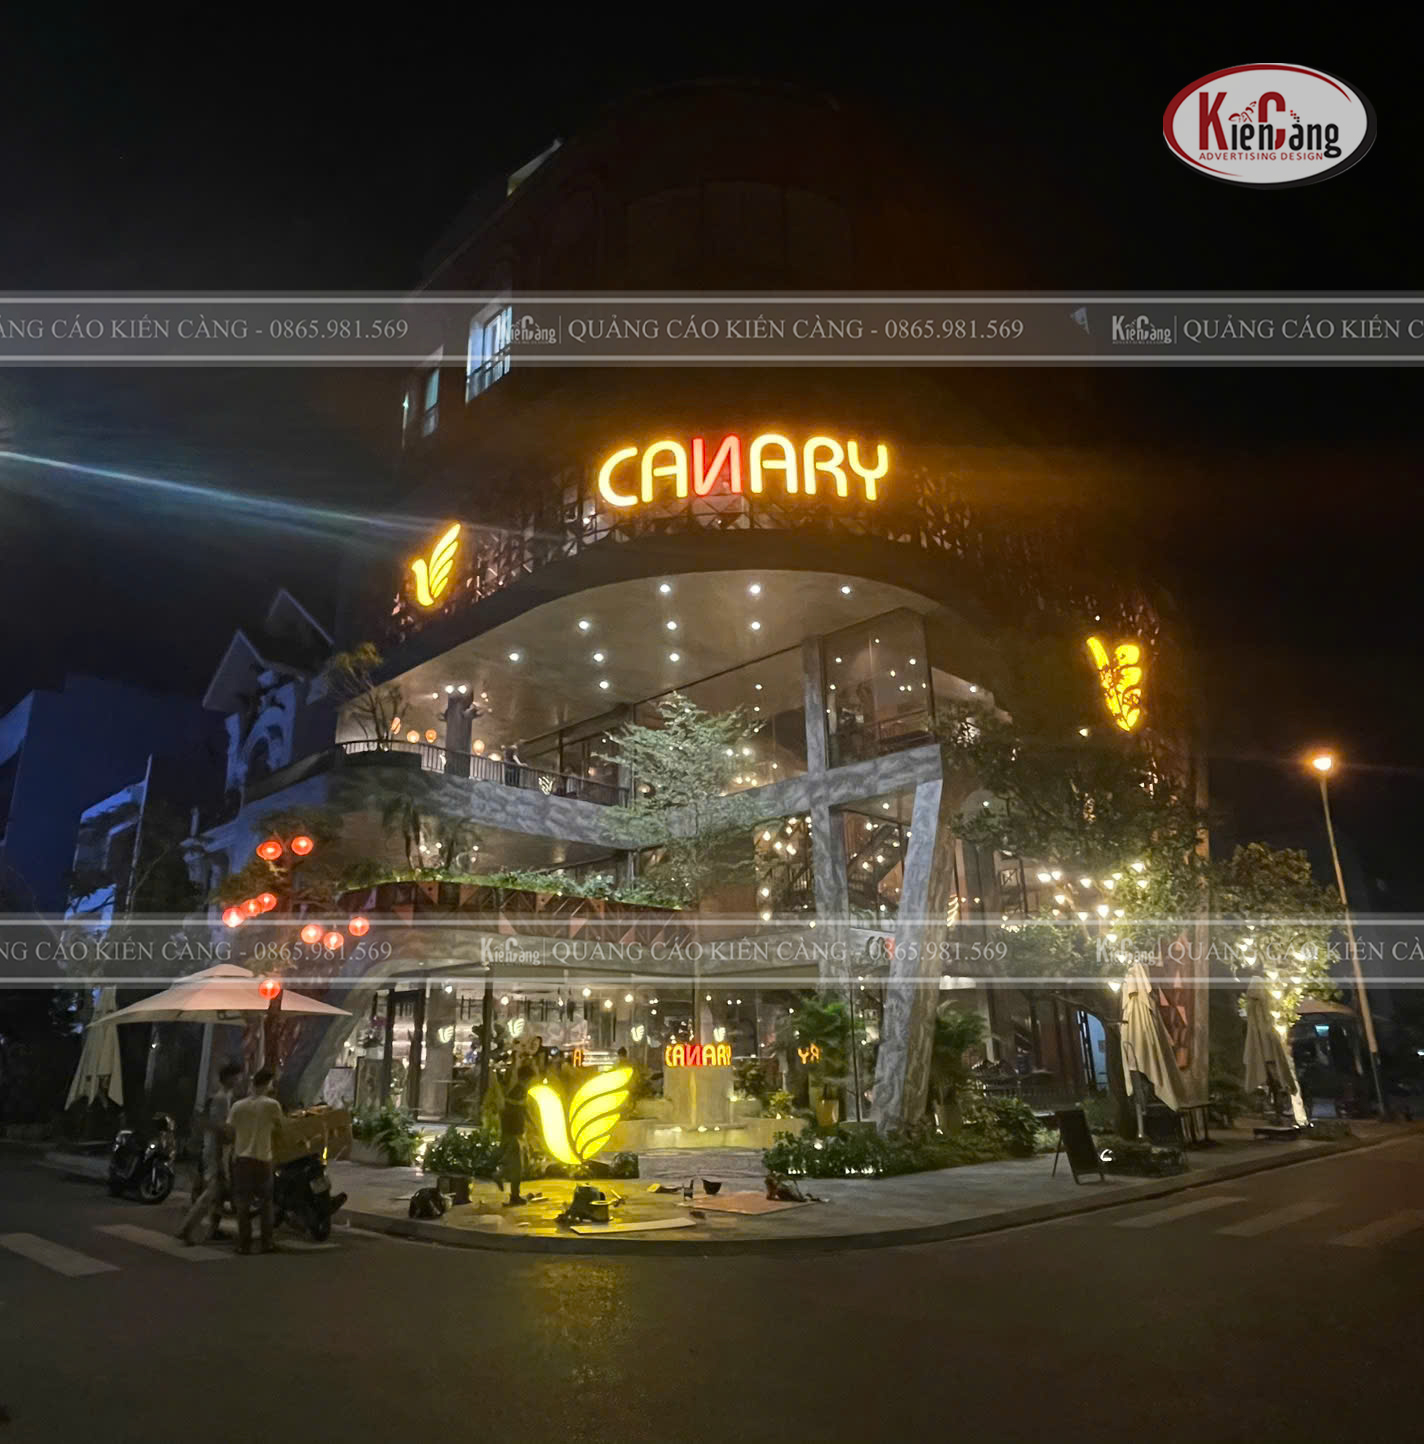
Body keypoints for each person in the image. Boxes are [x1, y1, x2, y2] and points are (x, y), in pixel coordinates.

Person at [177, 1062, 242, 1244]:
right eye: (236, 1076)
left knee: (219, 1194)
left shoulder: (227, 1097)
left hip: (218, 1150)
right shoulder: (221, 1099)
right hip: (215, 1151)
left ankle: (213, 1229)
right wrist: (223, 1153)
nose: (239, 1080)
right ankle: (187, 1228)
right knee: (212, 1193)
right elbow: (217, 1127)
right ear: (228, 1078)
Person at [228, 1067, 284, 1255]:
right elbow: (281, 1128)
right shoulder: (272, 1105)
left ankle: (244, 1244)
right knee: (266, 1203)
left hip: (242, 1160)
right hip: (263, 1159)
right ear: (267, 1084)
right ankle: (267, 1243)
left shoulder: (238, 1106)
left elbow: (230, 1131)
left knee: (242, 1204)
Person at [499, 1063, 535, 1205]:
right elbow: (515, 1109)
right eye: (530, 1079)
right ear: (525, 1078)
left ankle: (499, 1175)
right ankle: (514, 1196)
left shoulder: (520, 1091)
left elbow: (523, 1110)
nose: (531, 1082)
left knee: (518, 1164)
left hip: (516, 1132)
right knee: (517, 1167)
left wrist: (532, 1123)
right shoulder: (518, 1091)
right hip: (513, 1133)